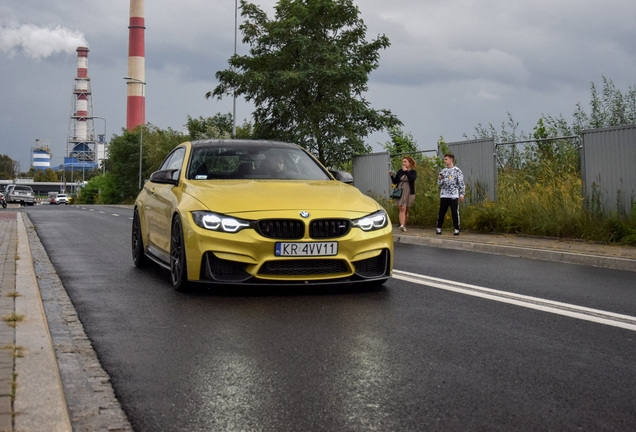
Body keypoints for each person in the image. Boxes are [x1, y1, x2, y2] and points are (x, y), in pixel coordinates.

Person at [436, 153, 465, 235]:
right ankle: (439, 227)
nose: (444, 161)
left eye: (446, 159)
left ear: (451, 160)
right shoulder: (443, 171)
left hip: (453, 195)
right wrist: (440, 179)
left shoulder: (457, 171)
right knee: (442, 212)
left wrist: (462, 194)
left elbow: (461, 183)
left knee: (454, 212)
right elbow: (439, 184)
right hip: (444, 195)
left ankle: (456, 228)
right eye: (444, 159)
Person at [389, 156, 417, 232]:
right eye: (403, 162)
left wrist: (406, 171)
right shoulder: (400, 171)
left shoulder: (413, 172)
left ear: (410, 163)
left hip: (409, 192)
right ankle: (401, 225)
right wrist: (391, 175)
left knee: (406, 209)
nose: (403, 163)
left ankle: (404, 225)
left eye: (405, 162)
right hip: (401, 192)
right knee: (402, 208)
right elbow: (395, 181)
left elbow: (412, 179)